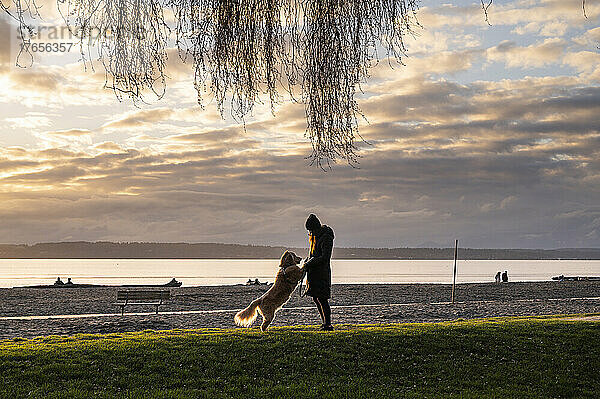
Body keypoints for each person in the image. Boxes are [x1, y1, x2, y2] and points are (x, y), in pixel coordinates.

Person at [303, 213, 334, 331]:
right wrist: (307, 261)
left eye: (311, 230)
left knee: (322, 298)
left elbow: (325, 257)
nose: (310, 233)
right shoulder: (314, 236)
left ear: (316, 228)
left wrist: (309, 263)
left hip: (322, 273)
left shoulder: (326, 237)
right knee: (316, 298)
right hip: (313, 273)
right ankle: (324, 322)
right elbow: (313, 254)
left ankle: (328, 324)